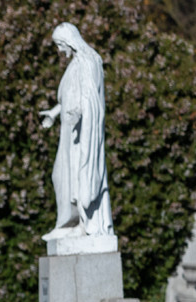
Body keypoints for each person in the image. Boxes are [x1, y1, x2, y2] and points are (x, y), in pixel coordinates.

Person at [38, 22, 112, 240]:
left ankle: (84, 222)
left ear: (70, 40)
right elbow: (70, 96)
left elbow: (91, 99)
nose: (60, 51)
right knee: (61, 177)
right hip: (69, 134)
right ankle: (68, 223)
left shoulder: (89, 61)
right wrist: (54, 112)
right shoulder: (74, 65)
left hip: (83, 135)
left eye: (61, 45)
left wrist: (79, 112)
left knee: (80, 177)